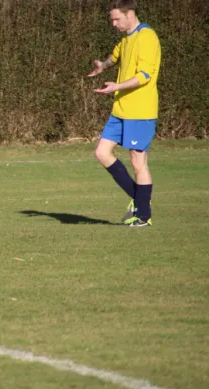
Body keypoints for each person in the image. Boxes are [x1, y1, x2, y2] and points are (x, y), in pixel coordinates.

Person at [88, 0, 161, 227]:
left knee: (138, 161)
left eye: (116, 18)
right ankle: (140, 201)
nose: (113, 23)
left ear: (130, 14)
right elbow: (116, 57)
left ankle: (143, 215)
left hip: (140, 109)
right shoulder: (126, 39)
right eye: (111, 19)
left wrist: (117, 87)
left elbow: (145, 75)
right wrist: (103, 64)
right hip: (120, 110)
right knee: (102, 152)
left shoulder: (147, 37)